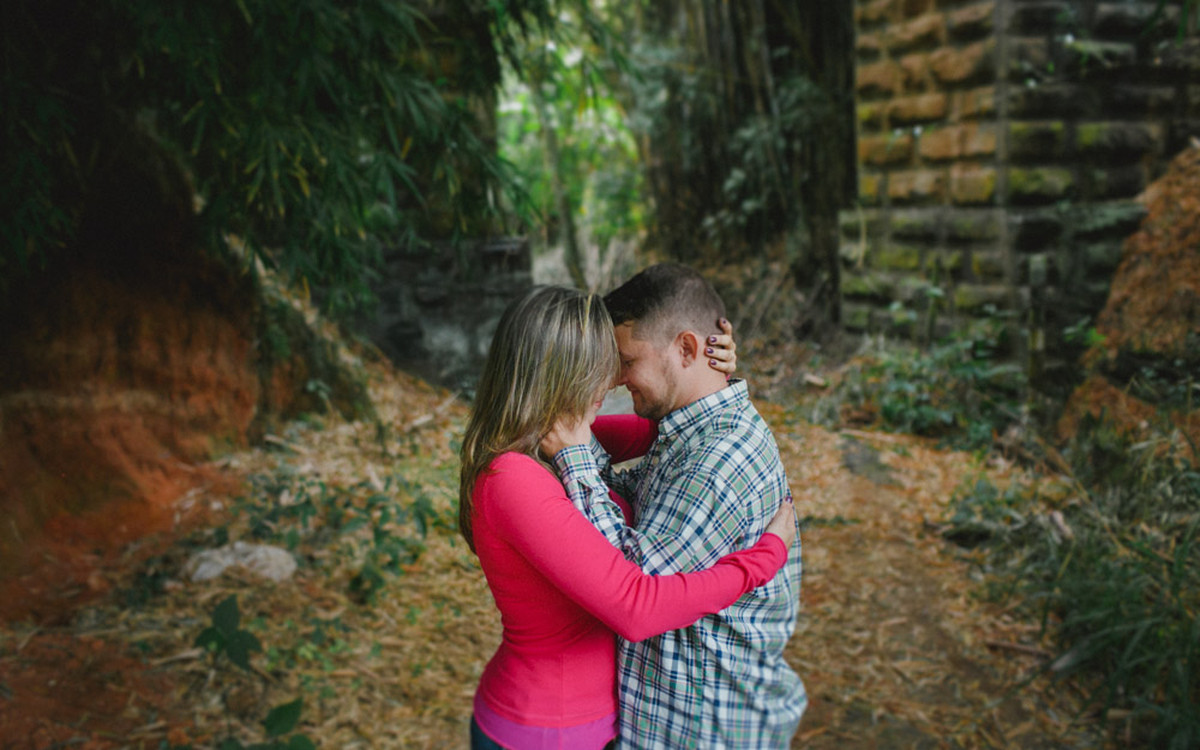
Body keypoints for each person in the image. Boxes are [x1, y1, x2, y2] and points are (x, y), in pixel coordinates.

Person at [459, 285, 798, 749]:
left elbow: (670, 423)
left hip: (586, 726)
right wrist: (760, 561)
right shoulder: (513, 477)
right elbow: (637, 606)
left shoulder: (550, 442)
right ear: (561, 373)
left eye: (620, 365)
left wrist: (702, 370)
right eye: (602, 367)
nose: (612, 383)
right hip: (544, 730)